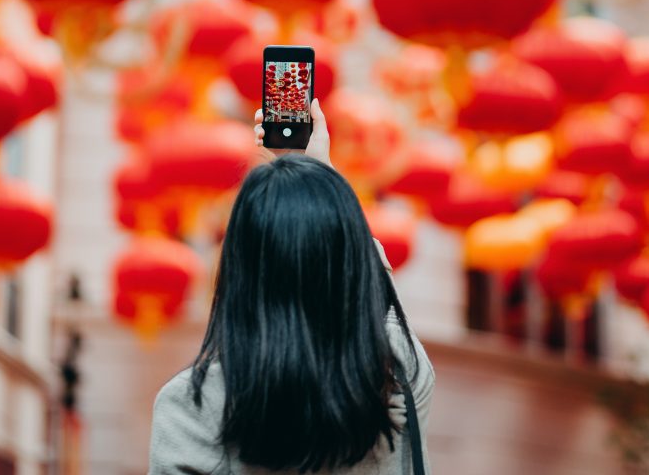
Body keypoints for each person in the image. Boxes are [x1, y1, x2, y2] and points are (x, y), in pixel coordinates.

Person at [148, 99, 435, 474]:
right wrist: (324, 182)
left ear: (238, 268)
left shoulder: (191, 406)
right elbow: (374, 293)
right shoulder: (399, 382)